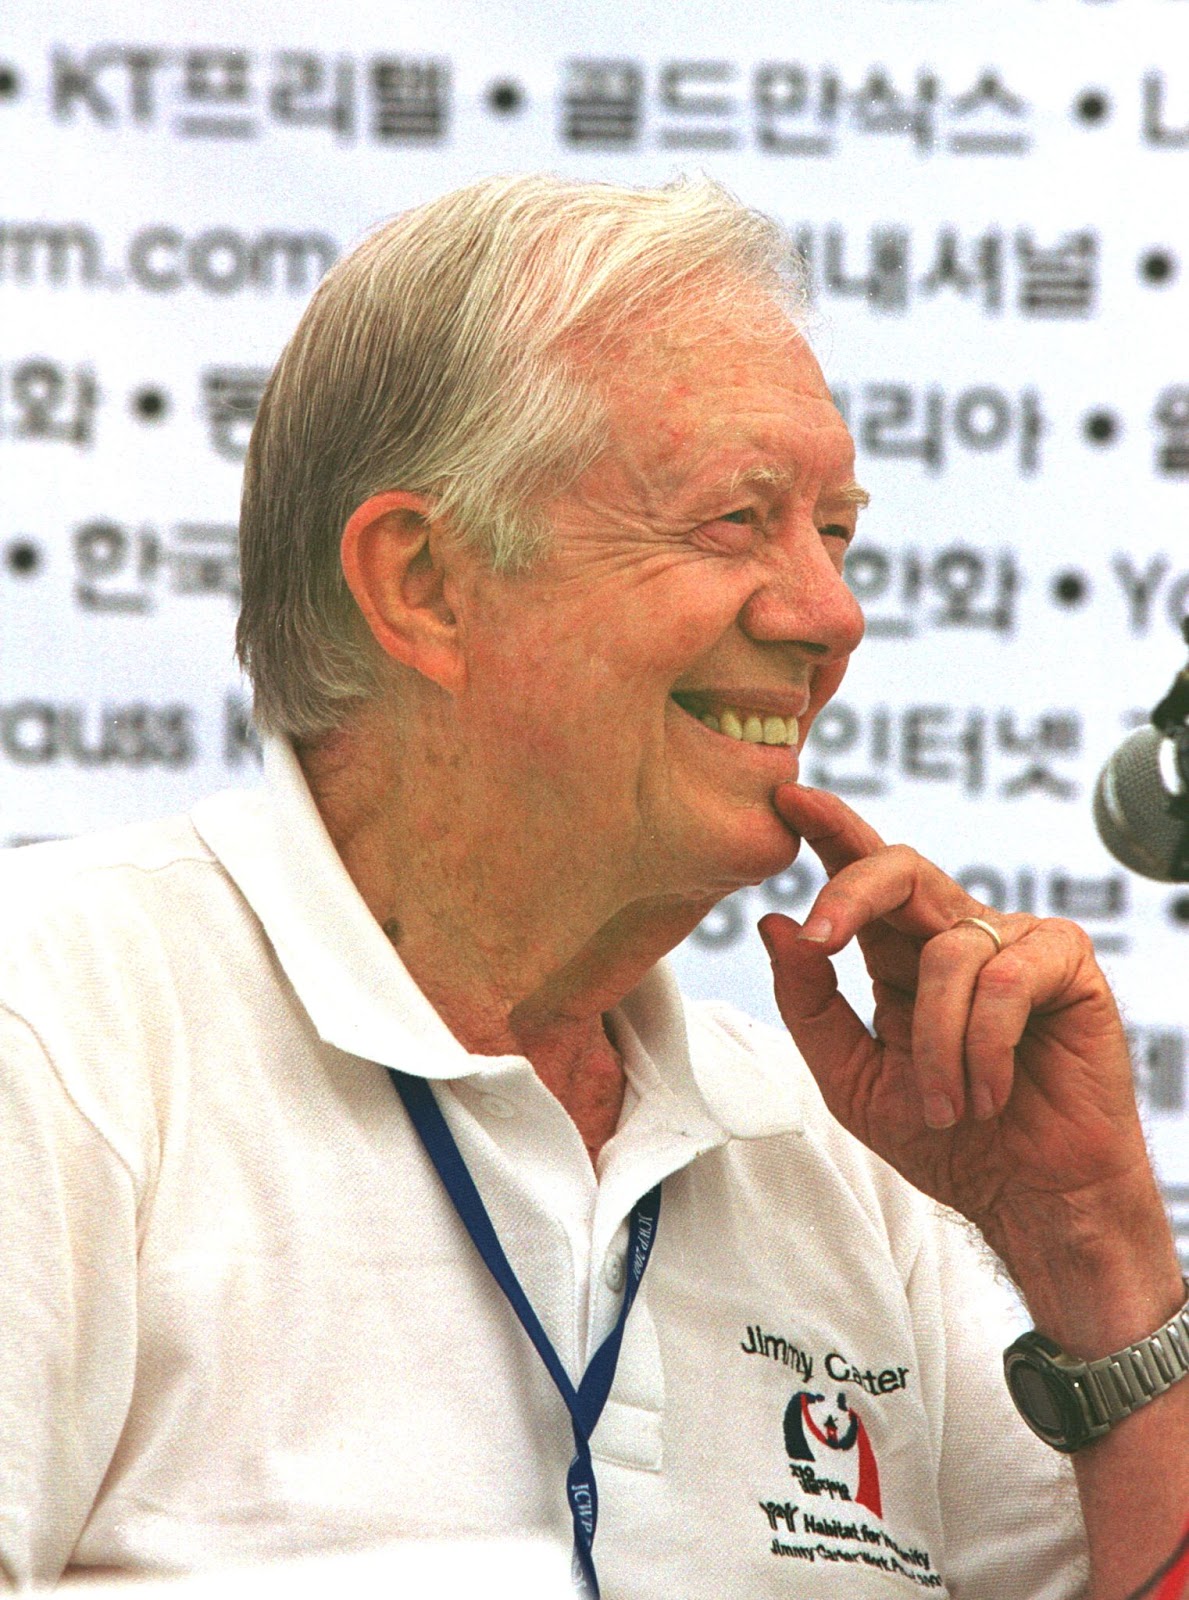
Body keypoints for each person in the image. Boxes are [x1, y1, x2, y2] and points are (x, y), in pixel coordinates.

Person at [2, 175, 1186, 1598]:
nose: (830, 616)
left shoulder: (846, 1155)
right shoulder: (61, 1037)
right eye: (736, 522)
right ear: (424, 582)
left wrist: (1093, 1255)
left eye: (837, 532)